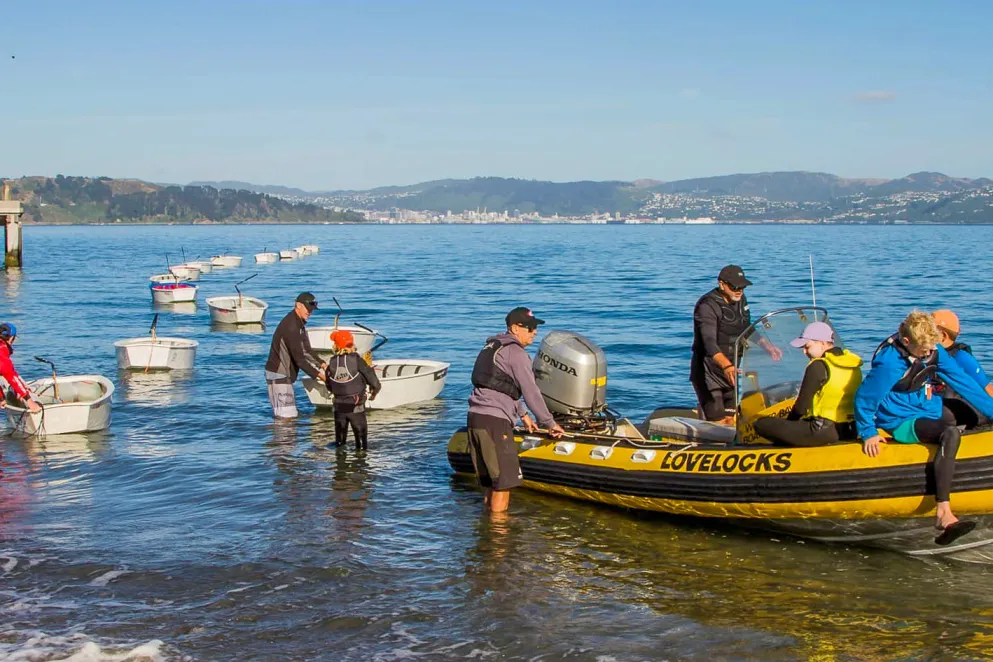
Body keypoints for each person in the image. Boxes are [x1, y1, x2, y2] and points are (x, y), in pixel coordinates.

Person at [854, 311, 993, 545]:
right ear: (907, 342)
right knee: (949, 433)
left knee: (976, 414)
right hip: (900, 419)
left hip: (928, 407)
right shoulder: (890, 362)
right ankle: (943, 513)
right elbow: (864, 399)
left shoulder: (933, 349)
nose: (929, 354)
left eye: (932, 348)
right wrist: (868, 432)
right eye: (923, 350)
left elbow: (964, 382)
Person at [467, 307, 566, 513]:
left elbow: (497, 385)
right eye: (530, 328)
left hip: (476, 418)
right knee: (503, 485)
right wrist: (549, 423)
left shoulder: (492, 347)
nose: (534, 332)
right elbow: (531, 392)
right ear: (515, 328)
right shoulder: (516, 353)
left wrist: (523, 415)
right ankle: (500, 542)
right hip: (495, 422)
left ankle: (488, 539)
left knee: (490, 485)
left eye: (535, 328)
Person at [690, 265, 782, 425]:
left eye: (742, 287)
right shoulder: (707, 306)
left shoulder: (740, 300)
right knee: (718, 422)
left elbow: (745, 328)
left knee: (732, 420)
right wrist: (726, 366)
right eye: (734, 287)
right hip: (708, 372)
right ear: (722, 284)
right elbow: (709, 343)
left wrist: (767, 346)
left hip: (731, 371)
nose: (739, 290)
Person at [753, 322, 862, 446]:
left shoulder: (819, 365)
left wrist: (789, 425)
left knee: (761, 423)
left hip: (821, 432)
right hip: (850, 430)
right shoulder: (854, 364)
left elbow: (801, 407)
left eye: (807, 346)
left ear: (822, 343)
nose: (804, 352)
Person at [264, 292, 326, 419]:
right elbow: (300, 361)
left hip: (285, 374)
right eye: (307, 309)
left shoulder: (300, 324)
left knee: (290, 417)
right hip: (278, 374)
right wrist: (322, 377)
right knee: (286, 418)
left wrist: (322, 364)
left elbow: (306, 350)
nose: (310, 312)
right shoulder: (291, 326)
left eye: (312, 310)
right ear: (298, 305)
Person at [932, 309, 993, 427]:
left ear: (943, 335)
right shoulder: (925, 354)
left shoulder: (961, 357)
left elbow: (987, 389)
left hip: (960, 412)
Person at [324, 329, 381, 451]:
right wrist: (374, 392)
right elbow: (374, 382)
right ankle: (360, 466)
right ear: (351, 344)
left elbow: (329, 385)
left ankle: (340, 467)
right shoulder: (357, 360)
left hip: (339, 408)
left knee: (340, 444)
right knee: (361, 446)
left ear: (336, 346)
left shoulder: (331, 363)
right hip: (356, 408)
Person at [0, 323, 41, 414]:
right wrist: (29, 401)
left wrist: (1, 398)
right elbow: (12, 377)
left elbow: (11, 373)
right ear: (11, 338)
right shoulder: (2, 354)